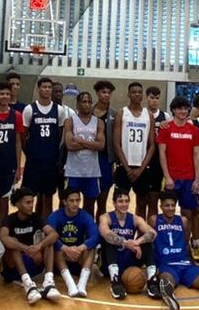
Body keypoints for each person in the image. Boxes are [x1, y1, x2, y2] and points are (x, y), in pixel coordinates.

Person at [0, 188, 63, 304]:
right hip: (12, 268)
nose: (31, 206)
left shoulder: (36, 217)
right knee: (12, 243)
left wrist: (39, 246)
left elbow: (54, 234)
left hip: (33, 261)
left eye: (32, 202)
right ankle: (28, 284)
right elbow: (3, 237)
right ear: (18, 204)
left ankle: (48, 282)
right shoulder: (9, 219)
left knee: (49, 241)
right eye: (27, 203)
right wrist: (25, 248)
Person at [156, 95, 199, 247]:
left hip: (189, 178)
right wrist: (167, 176)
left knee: (187, 214)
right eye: (180, 108)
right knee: (167, 211)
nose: (183, 111)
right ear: (174, 110)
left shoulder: (194, 130)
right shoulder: (165, 128)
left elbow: (197, 155)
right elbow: (162, 153)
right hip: (171, 178)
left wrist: (197, 179)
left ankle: (184, 245)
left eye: (185, 108)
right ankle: (167, 243)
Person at [99, 188, 159, 299]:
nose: (124, 204)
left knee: (147, 243)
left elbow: (153, 233)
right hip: (111, 259)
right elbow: (105, 233)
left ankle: (152, 281)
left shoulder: (135, 218)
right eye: (120, 201)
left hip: (129, 260)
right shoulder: (106, 217)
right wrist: (126, 243)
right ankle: (115, 281)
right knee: (111, 241)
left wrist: (137, 242)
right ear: (114, 203)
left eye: (127, 201)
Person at [22, 77, 69, 217]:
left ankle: (45, 227)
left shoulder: (59, 110)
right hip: (33, 162)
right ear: (38, 88)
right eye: (44, 87)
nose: (47, 90)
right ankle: (30, 225)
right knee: (28, 197)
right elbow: (23, 136)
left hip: (50, 162)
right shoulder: (29, 109)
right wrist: (30, 153)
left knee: (48, 197)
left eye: (49, 87)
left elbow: (59, 135)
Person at [113, 82, 158, 219]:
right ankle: (120, 232)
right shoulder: (122, 113)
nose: (137, 94)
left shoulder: (148, 115)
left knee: (142, 202)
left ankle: (141, 235)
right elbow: (116, 143)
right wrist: (127, 168)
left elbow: (152, 145)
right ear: (128, 94)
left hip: (143, 167)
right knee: (120, 202)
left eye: (139, 92)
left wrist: (140, 169)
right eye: (134, 92)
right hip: (124, 166)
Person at [47, 187, 100, 297]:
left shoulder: (85, 216)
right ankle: (70, 284)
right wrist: (66, 248)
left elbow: (95, 236)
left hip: (78, 256)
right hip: (60, 259)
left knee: (91, 248)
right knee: (54, 247)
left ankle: (82, 285)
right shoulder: (55, 216)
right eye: (72, 201)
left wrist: (80, 248)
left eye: (77, 200)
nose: (75, 204)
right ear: (64, 201)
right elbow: (48, 236)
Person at [65, 91, 106, 216]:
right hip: (74, 171)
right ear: (77, 104)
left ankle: (87, 232)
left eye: (89, 101)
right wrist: (91, 143)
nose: (87, 104)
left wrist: (80, 140)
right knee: (71, 205)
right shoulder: (70, 121)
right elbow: (70, 145)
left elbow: (101, 145)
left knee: (89, 205)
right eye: (84, 101)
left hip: (92, 172)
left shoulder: (99, 122)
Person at [0, 81, 24, 236]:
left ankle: (0, 239)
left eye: (7, 94)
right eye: (1, 93)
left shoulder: (16, 115)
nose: (5, 96)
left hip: (8, 165)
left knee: (3, 206)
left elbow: (18, 141)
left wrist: (18, 167)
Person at [92, 80, 117, 218]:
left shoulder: (114, 114)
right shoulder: (88, 111)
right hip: (89, 158)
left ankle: (100, 229)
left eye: (108, 93)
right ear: (97, 93)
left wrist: (114, 162)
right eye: (103, 92)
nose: (106, 95)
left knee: (102, 199)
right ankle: (88, 231)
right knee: (89, 199)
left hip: (106, 160)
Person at [144, 85, 168, 214]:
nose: (154, 101)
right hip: (143, 160)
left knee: (154, 200)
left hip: (158, 162)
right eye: (152, 98)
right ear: (146, 98)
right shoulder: (141, 115)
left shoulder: (165, 116)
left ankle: (152, 232)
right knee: (141, 201)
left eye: (157, 98)